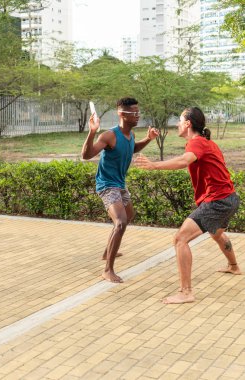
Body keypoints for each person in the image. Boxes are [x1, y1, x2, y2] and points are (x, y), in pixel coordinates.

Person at [135, 107, 241, 304]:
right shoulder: (206, 143)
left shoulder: (197, 143)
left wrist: (154, 165)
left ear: (188, 124)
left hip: (218, 201)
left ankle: (186, 292)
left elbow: (185, 160)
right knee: (216, 233)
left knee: (180, 239)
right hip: (229, 199)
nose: (177, 124)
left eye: (180, 120)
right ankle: (234, 266)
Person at [81, 97, 159, 283]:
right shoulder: (109, 135)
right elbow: (86, 155)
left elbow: (132, 148)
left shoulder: (129, 135)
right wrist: (92, 132)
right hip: (107, 184)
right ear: (122, 114)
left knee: (128, 215)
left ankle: (108, 251)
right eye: (134, 113)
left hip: (119, 184)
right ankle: (108, 270)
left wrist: (148, 139)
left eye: (138, 112)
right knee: (121, 222)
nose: (138, 116)